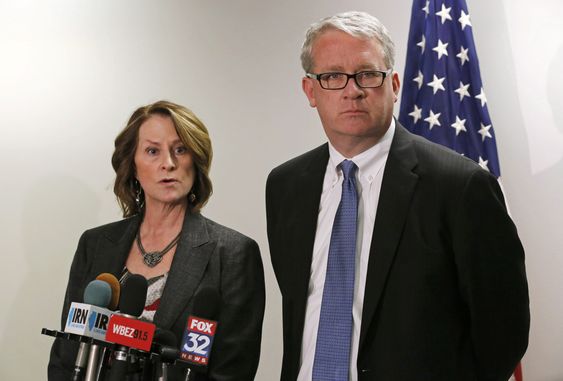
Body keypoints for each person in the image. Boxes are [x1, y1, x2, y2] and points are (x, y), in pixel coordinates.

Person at [266, 11, 529, 381]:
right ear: (310, 91)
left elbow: (504, 332)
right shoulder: (285, 186)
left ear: (394, 83)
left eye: (367, 74)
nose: (352, 89)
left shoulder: (461, 186)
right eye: (332, 76)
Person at [49, 100, 265, 380]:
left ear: (196, 160)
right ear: (133, 166)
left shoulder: (234, 253)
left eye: (180, 150)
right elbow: (66, 357)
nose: (169, 163)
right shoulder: (95, 244)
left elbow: (233, 370)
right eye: (153, 151)